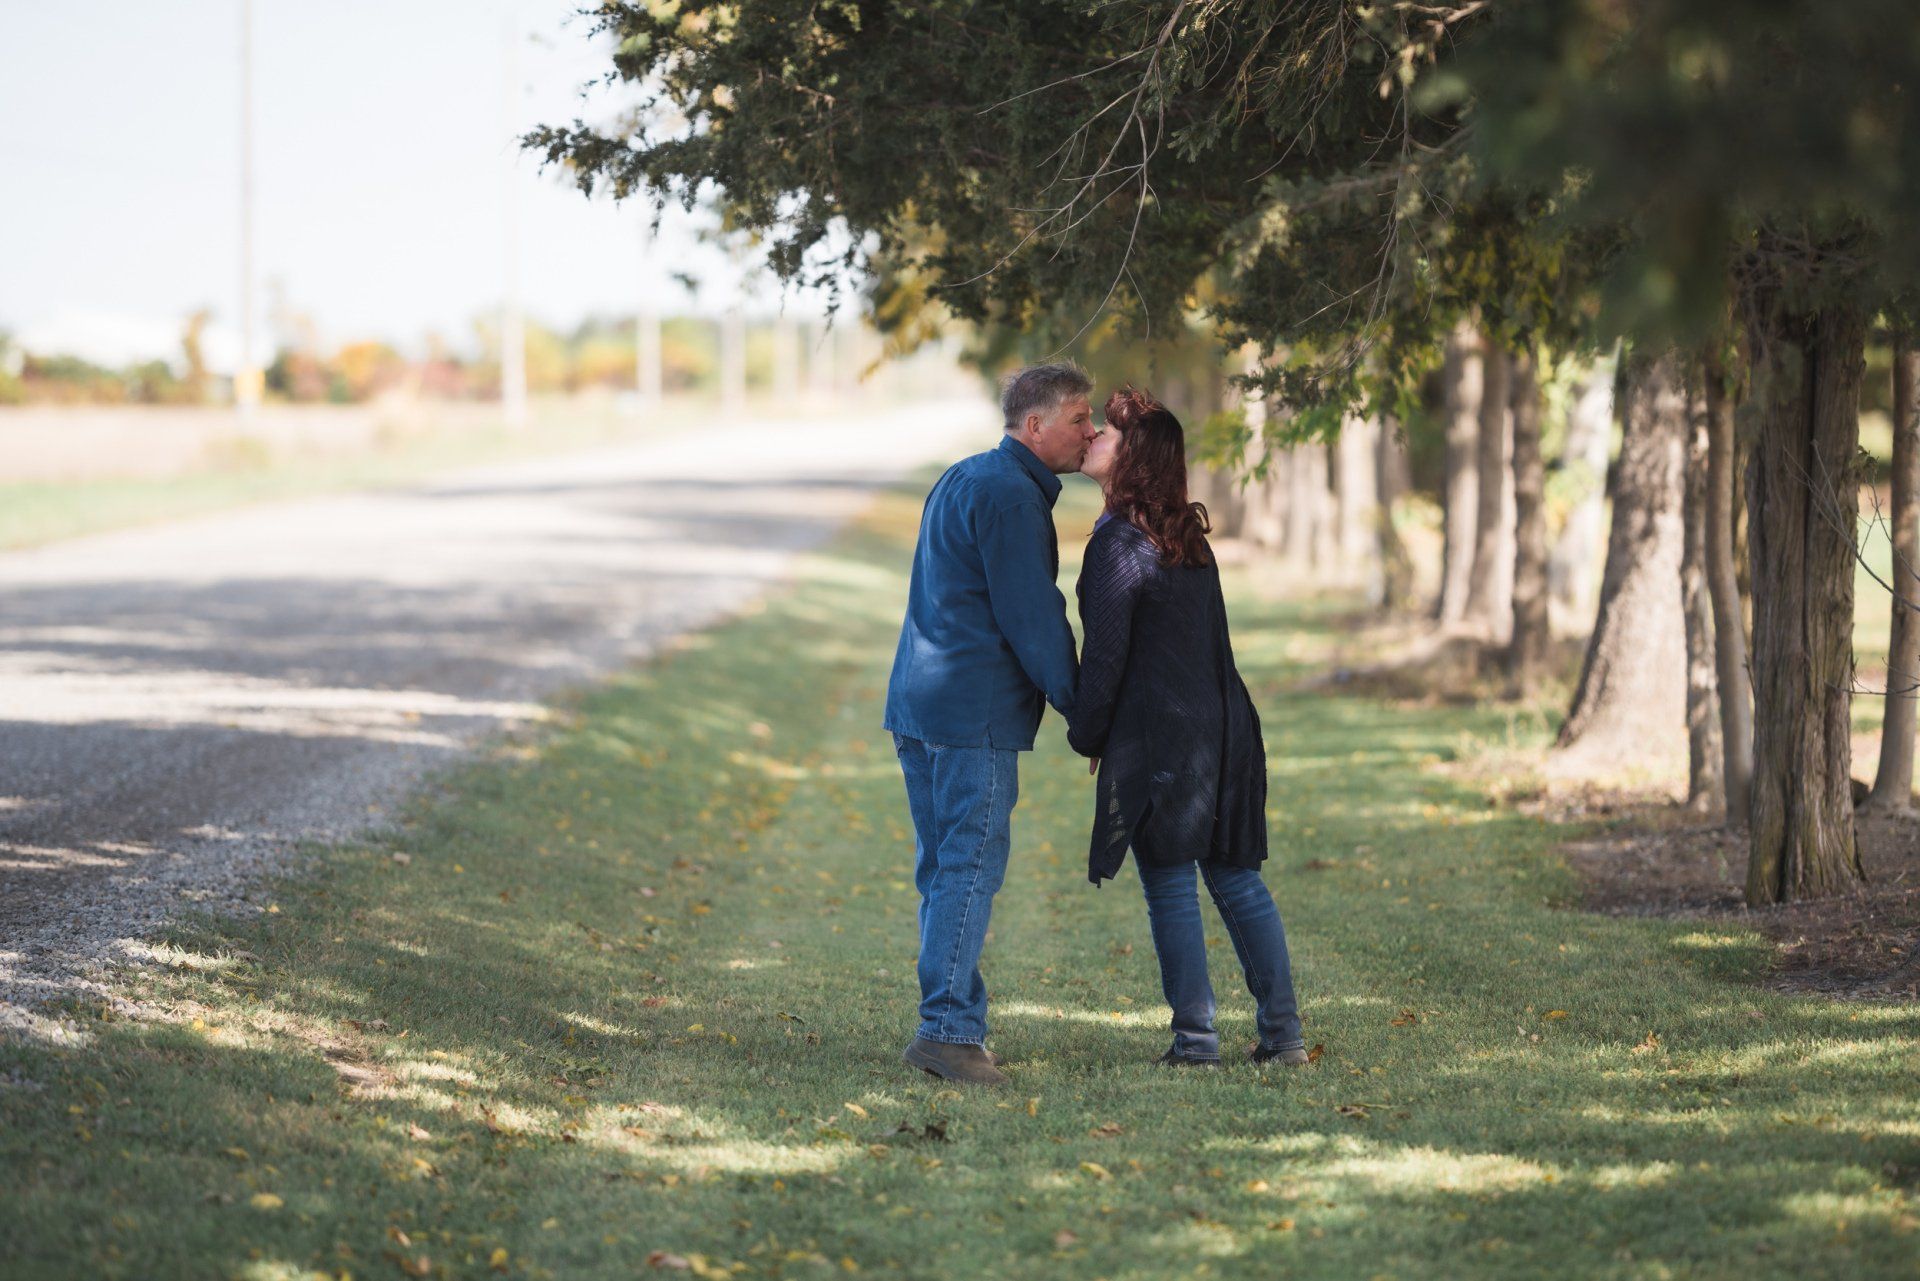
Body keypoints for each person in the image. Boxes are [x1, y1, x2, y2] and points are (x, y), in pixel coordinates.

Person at [1066, 386, 1309, 1068]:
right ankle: (1284, 1036)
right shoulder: (1183, 536)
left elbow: (1107, 658)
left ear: (1132, 456)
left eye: (1107, 434)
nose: (1092, 439)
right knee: (1236, 879)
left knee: (1171, 882)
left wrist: (1089, 734)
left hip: (1167, 739)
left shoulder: (1119, 544)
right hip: (1226, 731)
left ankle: (1197, 1041)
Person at [885, 362, 1098, 1086]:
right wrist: (1086, 714)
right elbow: (1034, 620)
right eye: (1078, 418)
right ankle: (947, 1030)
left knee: (945, 870)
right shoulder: (1011, 497)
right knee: (969, 866)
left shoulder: (963, 476)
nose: (1091, 431)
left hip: (919, 705)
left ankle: (950, 1019)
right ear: (1034, 426)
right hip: (968, 712)